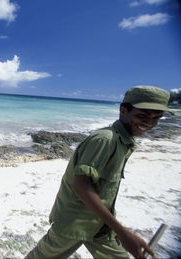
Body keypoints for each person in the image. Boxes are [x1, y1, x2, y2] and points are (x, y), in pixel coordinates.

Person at [25, 85, 172, 259]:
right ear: (123, 111)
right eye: (142, 115)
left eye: (156, 118)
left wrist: (115, 227)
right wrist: (122, 232)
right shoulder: (105, 140)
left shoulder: (124, 142)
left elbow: (101, 188)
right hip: (75, 224)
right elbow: (80, 185)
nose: (149, 123)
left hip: (99, 223)